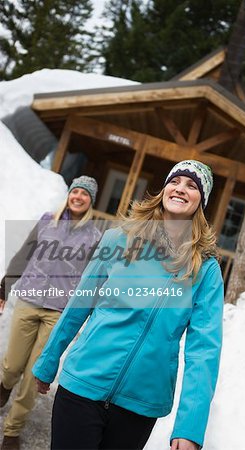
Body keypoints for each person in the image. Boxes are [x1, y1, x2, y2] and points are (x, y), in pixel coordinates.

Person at [32, 160, 224, 450]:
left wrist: (190, 427)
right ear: (163, 190)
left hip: (140, 404)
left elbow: (204, 350)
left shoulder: (205, 270)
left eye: (192, 186)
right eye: (175, 181)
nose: (181, 189)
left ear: (201, 201)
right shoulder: (118, 240)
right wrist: (48, 361)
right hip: (83, 384)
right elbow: (78, 307)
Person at [0, 176, 102, 450]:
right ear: (69, 194)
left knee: (34, 375)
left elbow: (90, 279)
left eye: (84, 194)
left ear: (91, 201)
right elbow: (24, 254)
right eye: (75, 191)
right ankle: (4, 385)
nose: (78, 196)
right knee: (11, 366)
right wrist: (4, 288)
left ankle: (12, 430)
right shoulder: (47, 220)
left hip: (57, 311)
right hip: (29, 300)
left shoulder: (94, 236)